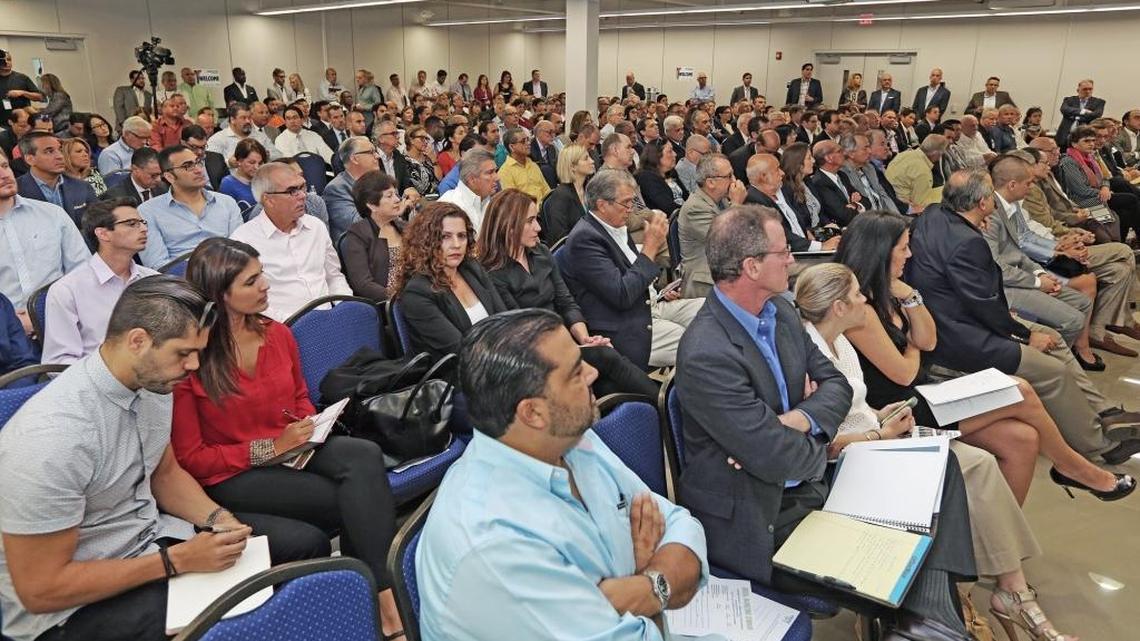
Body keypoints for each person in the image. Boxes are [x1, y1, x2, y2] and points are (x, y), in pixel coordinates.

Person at [674, 205, 978, 641]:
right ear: (751, 266)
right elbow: (777, 460)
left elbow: (835, 384)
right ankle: (927, 625)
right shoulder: (706, 351)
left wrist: (796, 420)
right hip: (764, 515)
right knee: (903, 550)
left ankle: (922, 625)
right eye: (783, 253)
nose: (793, 262)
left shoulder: (778, 312)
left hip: (811, 480)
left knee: (938, 467)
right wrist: (824, 442)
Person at [0, 276, 330, 641]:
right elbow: (42, 589)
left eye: (198, 353)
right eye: (184, 353)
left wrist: (219, 519)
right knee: (226, 625)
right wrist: (176, 562)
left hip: (149, 540)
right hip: (71, 608)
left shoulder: (153, 381)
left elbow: (166, 474)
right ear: (137, 341)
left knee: (307, 546)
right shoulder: (51, 440)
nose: (194, 366)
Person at [793, 262, 1077, 641]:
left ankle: (1007, 587)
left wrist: (884, 415)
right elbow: (822, 443)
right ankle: (1006, 593)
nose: (865, 300)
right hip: (856, 459)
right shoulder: (809, 358)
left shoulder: (840, 340)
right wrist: (880, 434)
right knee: (969, 464)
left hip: (880, 438)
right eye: (858, 295)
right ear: (840, 307)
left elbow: (857, 407)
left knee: (982, 461)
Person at [417, 307, 707, 640]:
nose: (593, 373)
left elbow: (679, 524)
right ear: (533, 412)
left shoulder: (570, 439)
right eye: (575, 373)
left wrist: (645, 586)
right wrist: (653, 582)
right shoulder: (495, 544)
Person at [168, 236, 403, 638]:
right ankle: (383, 604)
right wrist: (270, 448)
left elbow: (299, 397)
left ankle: (377, 599)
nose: (265, 286)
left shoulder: (276, 334)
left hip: (290, 447)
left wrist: (310, 426)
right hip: (231, 474)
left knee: (363, 456)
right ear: (218, 295)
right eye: (251, 281)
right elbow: (193, 458)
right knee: (355, 499)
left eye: (262, 276)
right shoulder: (192, 357)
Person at [837, 209, 1131, 503]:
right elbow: (904, 372)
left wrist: (912, 297)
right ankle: (1074, 468)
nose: (910, 255)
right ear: (881, 253)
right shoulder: (860, 309)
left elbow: (928, 340)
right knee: (1021, 390)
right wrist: (912, 346)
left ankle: (995, 540)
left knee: (1023, 440)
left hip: (922, 394)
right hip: (903, 409)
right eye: (903, 248)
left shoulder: (893, 291)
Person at [906, 168, 1140, 467]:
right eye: (990, 194)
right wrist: (1026, 335)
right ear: (981, 204)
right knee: (1052, 369)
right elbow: (985, 303)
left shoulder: (934, 215)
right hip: (963, 336)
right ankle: (1096, 444)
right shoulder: (968, 241)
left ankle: (1100, 410)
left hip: (956, 318)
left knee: (1055, 342)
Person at [479, 188, 659, 398]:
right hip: (534, 354)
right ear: (508, 226)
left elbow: (566, 302)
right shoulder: (492, 274)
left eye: (537, 219)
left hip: (563, 339)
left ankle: (658, 411)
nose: (538, 227)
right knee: (606, 359)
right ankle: (664, 406)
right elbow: (519, 329)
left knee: (610, 381)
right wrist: (573, 347)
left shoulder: (541, 253)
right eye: (530, 221)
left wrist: (585, 339)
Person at [557, 169, 703, 370]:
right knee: (697, 342)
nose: (631, 209)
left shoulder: (615, 225)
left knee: (709, 310)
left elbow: (633, 276)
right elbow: (622, 295)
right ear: (602, 205)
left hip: (648, 305)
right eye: (626, 203)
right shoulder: (585, 239)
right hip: (623, 325)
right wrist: (650, 248)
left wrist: (658, 294)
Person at [229, 163, 349, 322]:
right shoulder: (243, 241)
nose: (302, 196)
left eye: (302, 187)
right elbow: (250, 301)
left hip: (331, 318)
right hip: (282, 327)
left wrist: (345, 307)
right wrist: (295, 324)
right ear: (268, 199)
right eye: (292, 191)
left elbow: (333, 276)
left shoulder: (316, 226)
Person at [43, 197, 156, 365]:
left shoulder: (153, 280)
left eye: (143, 222)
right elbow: (59, 363)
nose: (144, 229)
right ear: (103, 233)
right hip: (99, 383)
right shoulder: (67, 290)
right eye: (132, 224)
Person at [393, 201, 507, 358]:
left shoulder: (472, 268)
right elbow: (460, 349)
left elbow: (506, 319)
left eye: (462, 236)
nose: (456, 244)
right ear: (427, 240)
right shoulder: (417, 292)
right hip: (456, 374)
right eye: (445, 237)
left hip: (498, 360)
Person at [0, 148, 90, 319]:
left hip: (62, 319)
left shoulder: (53, 215)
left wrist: (43, 316)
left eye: (5, 166)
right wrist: (11, 323)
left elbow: (82, 272)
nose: (4, 175)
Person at [138, 145, 243, 268]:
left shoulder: (227, 203)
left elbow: (241, 250)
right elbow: (157, 265)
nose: (198, 170)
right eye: (187, 166)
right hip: (181, 282)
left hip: (229, 274)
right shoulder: (148, 211)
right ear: (169, 177)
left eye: (198, 163)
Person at [678, 154, 748, 298]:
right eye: (729, 175)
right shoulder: (695, 208)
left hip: (728, 269)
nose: (734, 180)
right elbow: (726, 241)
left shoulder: (720, 200)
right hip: (706, 279)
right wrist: (736, 204)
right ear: (710, 182)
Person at [745, 154, 839, 252]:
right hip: (792, 255)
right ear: (763, 176)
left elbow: (799, 221)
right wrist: (820, 246)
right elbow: (781, 234)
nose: (782, 173)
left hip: (805, 246)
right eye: (777, 169)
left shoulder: (783, 190)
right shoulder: (754, 200)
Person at [341, 170, 409, 302]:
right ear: (372, 205)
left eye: (395, 194)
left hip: (416, 297)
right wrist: (399, 297)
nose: (397, 199)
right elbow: (363, 284)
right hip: (386, 305)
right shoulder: (357, 234)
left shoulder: (403, 227)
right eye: (389, 196)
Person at [14, 131, 100, 229]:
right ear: (30, 159)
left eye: (60, 150)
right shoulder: (15, 192)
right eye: (49, 151)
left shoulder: (83, 187)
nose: (60, 156)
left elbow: (97, 226)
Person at [324, 135, 382, 241]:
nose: (377, 156)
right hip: (359, 250)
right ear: (354, 158)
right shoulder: (336, 189)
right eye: (371, 152)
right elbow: (358, 226)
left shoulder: (378, 181)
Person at [540, 143, 594, 245]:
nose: (592, 161)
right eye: (586, 158)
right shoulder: (561, 196)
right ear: (573, 166)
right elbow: (559, 237)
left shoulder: (589, 189)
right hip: (575, 251)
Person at [438, 148, 498, 234]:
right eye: (490, 173)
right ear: (472, 179)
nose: (497, 178)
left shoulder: (487, 200)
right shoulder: (451, 206)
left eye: (495, 171)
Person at [806, 140, 863, 227]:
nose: (844, 153)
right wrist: (855, 204)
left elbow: (866, 201)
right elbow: (843, 216)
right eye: (839, 151)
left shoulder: (842, 175)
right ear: (829, 158)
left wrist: (854, 204)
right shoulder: (819, 183)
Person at [886, 134, 948, 213]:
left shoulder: (903, 154)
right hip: (902, 209)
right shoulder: (923, 171)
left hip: (890, 201)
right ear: (936, 154)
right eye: (942, 153)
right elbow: (920, 204)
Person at [206, 101, 281, 165]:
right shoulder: (218, 139)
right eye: (243, 118)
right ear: (232, 120)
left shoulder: (260, 136)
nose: (248, 121)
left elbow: (279, 156)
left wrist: (267, 155)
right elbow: (211, 164)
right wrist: (228, 162)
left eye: (249, 118)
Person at [102, 145, 165, 211]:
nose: (159, 179)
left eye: (161, 174)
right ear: (135, 169)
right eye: (153, 175)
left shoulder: (163, 189)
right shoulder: (115, 197)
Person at [636, 142, 689, 213]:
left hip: (685, 214)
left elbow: (686, 196)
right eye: (670, 151)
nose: (675, 154)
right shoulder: (646, 178)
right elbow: (667, 207)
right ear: (656, 156)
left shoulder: (672, 172)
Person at [218, 138, 265, 215]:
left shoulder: (265, 181)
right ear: (239, 161)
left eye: (260, 163)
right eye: (251, 162)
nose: (257, 167)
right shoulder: (228, 184)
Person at [0, 50, 43, 126]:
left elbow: (40, 97)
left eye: (9, 60)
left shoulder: (22, 78)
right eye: (3, 60)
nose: (7, 62)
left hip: (23, 122)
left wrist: (22, 93)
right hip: (2, 123)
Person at [1056, 80, 1104, 148]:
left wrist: (1074, 116)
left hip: (1084, 137)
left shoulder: (1099, 102)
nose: (1088, 91)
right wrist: (1083, 111)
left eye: (1090, 89)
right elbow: (1064, 109)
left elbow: (1096, 115)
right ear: (1078, 90)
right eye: (1085, 89)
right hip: (1065, 136)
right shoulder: (1069, 100)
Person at [402, 125, 439, 196]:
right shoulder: (403, 160)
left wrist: (434, 160)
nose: (425, 141)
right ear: (411, 140)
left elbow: (439, 179)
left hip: (436, 197)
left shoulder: (429, 157)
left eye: (426, 138)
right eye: (422, 138)